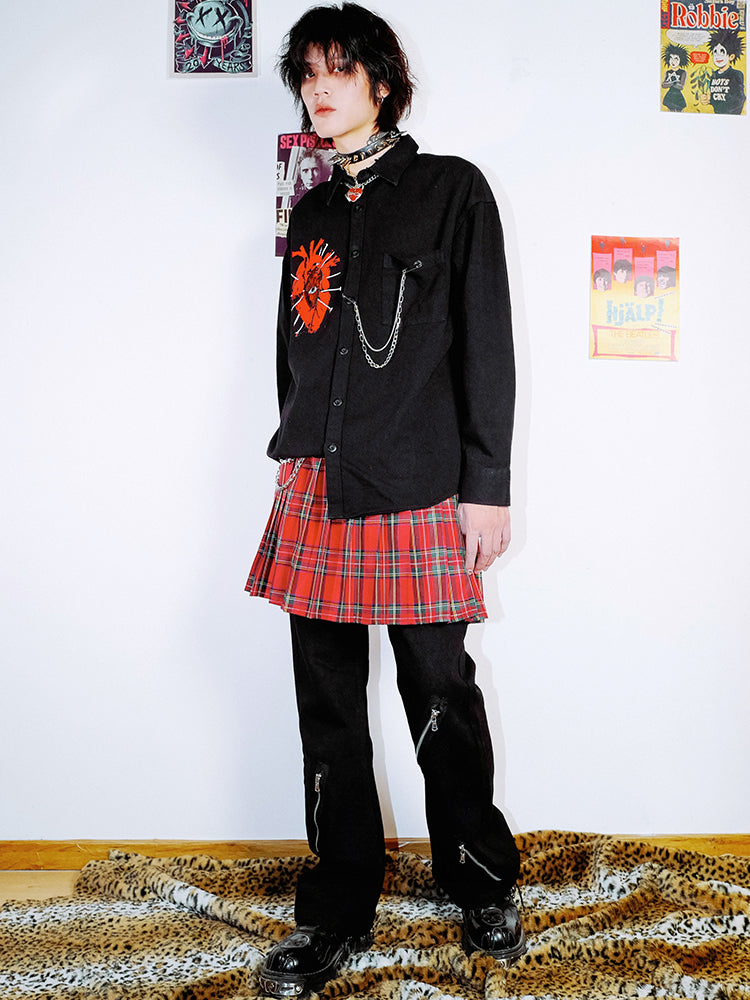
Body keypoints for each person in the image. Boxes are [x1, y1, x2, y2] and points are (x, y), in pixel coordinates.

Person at [246, 4, 524, 995]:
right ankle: (336, 907)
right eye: (308, 73)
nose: (320, 88)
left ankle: (480, 880)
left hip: (418, 485)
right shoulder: (312, 210)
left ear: (381, 82)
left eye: (339, 69)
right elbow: (294, 349)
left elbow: (486, 343)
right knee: (326, 708)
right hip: (314, 486)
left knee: (440, 694)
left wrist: (486, 487)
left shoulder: (453, 190)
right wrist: (295, 450)